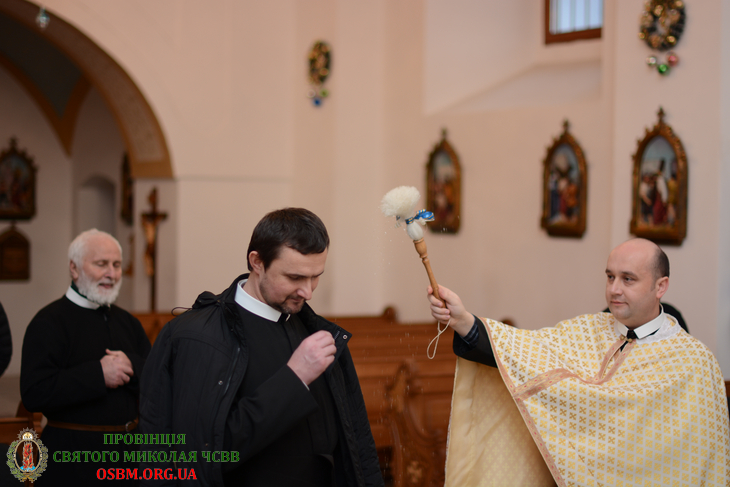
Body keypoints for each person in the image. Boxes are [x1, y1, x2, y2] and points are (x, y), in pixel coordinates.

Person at [427, 238, 729, 486]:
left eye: (628, 279)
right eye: (610, 277)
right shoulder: (585, 330)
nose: (614, 289)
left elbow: (705, 456)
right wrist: (464, 321)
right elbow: (521, 353)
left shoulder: (694, 362)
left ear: (660, 286)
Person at [139, 208, 383, 487]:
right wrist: (294, 379)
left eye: (316, 276)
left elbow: (358, 443)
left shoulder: (318, 331)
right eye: (294, 277)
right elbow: (203, 455)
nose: (308, 292)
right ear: (257, 262)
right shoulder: (196, 336)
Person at [20, 229, 151, 486]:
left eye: (116, 265)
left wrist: (132, 366)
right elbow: (34, 392)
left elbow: (157, 378)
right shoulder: (48, 322)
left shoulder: (128, 322)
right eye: (101, 264)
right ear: (74, 268)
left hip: (129, 458)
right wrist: (98, 375)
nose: (111, 274)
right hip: (72, 461)